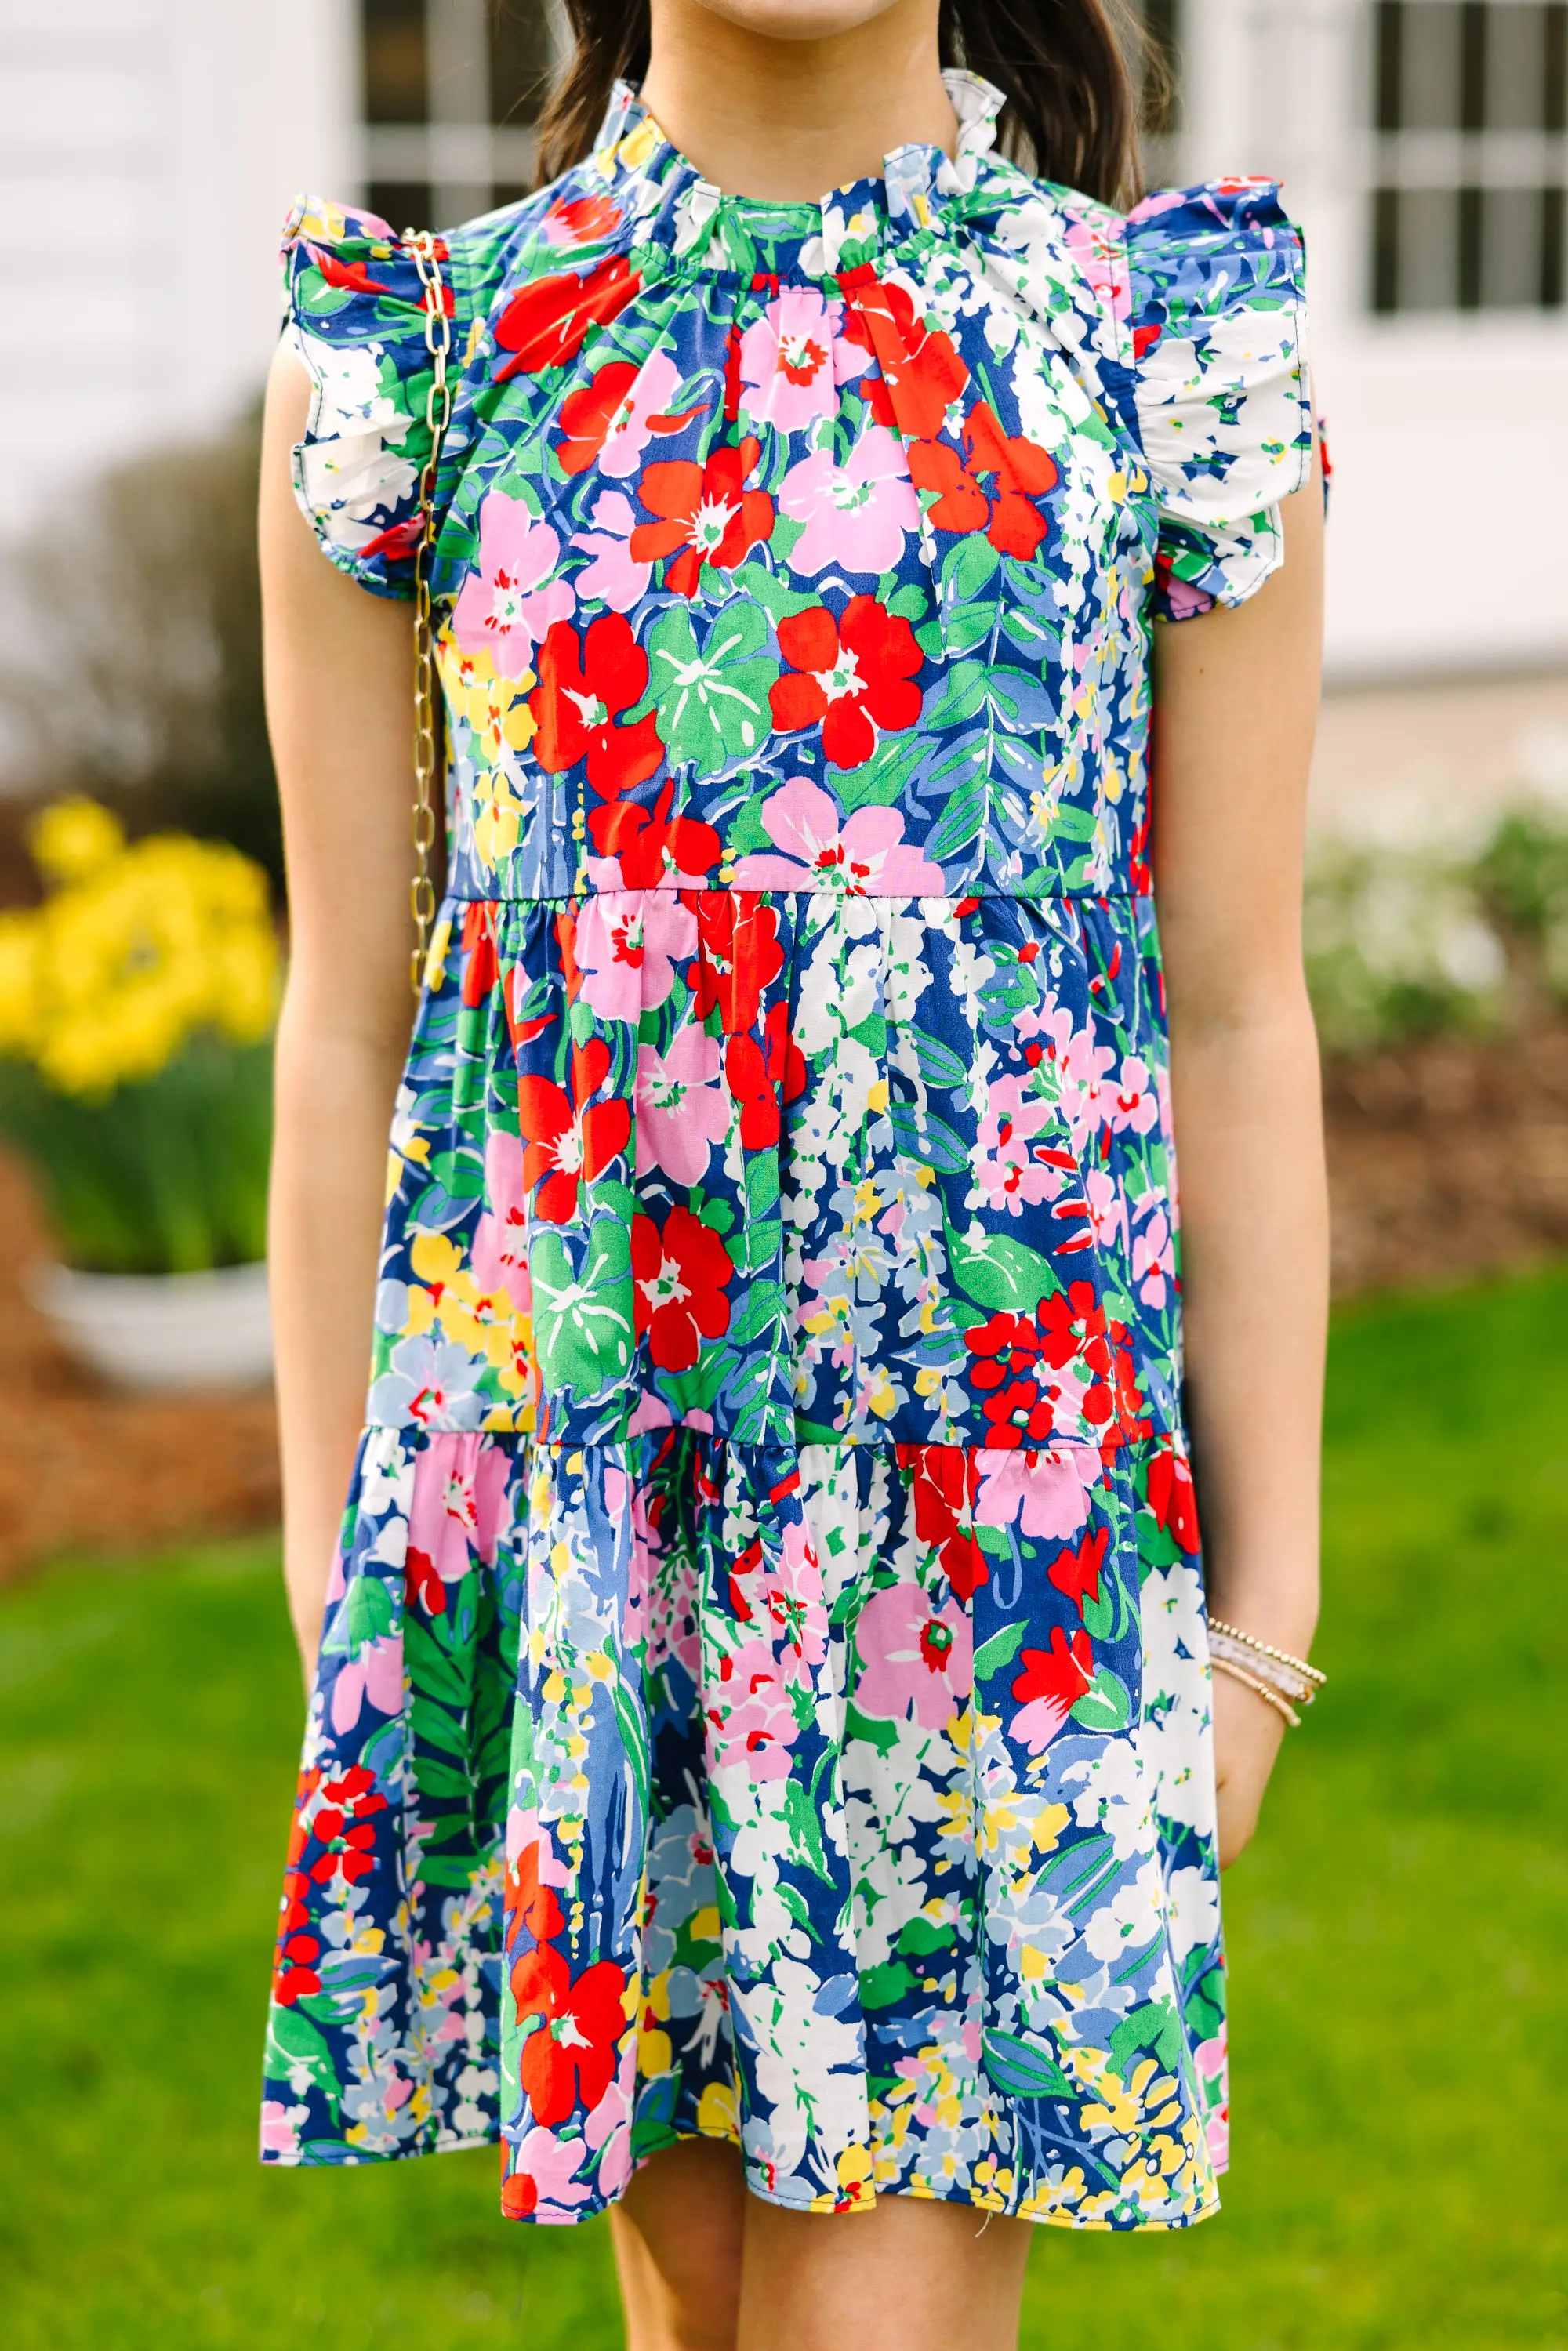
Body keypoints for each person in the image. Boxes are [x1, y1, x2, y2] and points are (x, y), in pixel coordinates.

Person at [256, 2, 1328, 2345]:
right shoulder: (432, 363)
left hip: (996, 1577)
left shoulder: (1153, 348)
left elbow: (1240, 1009)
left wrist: (1260, 1631)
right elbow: (347, 1016)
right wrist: (357, 1603)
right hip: (579, 1554)